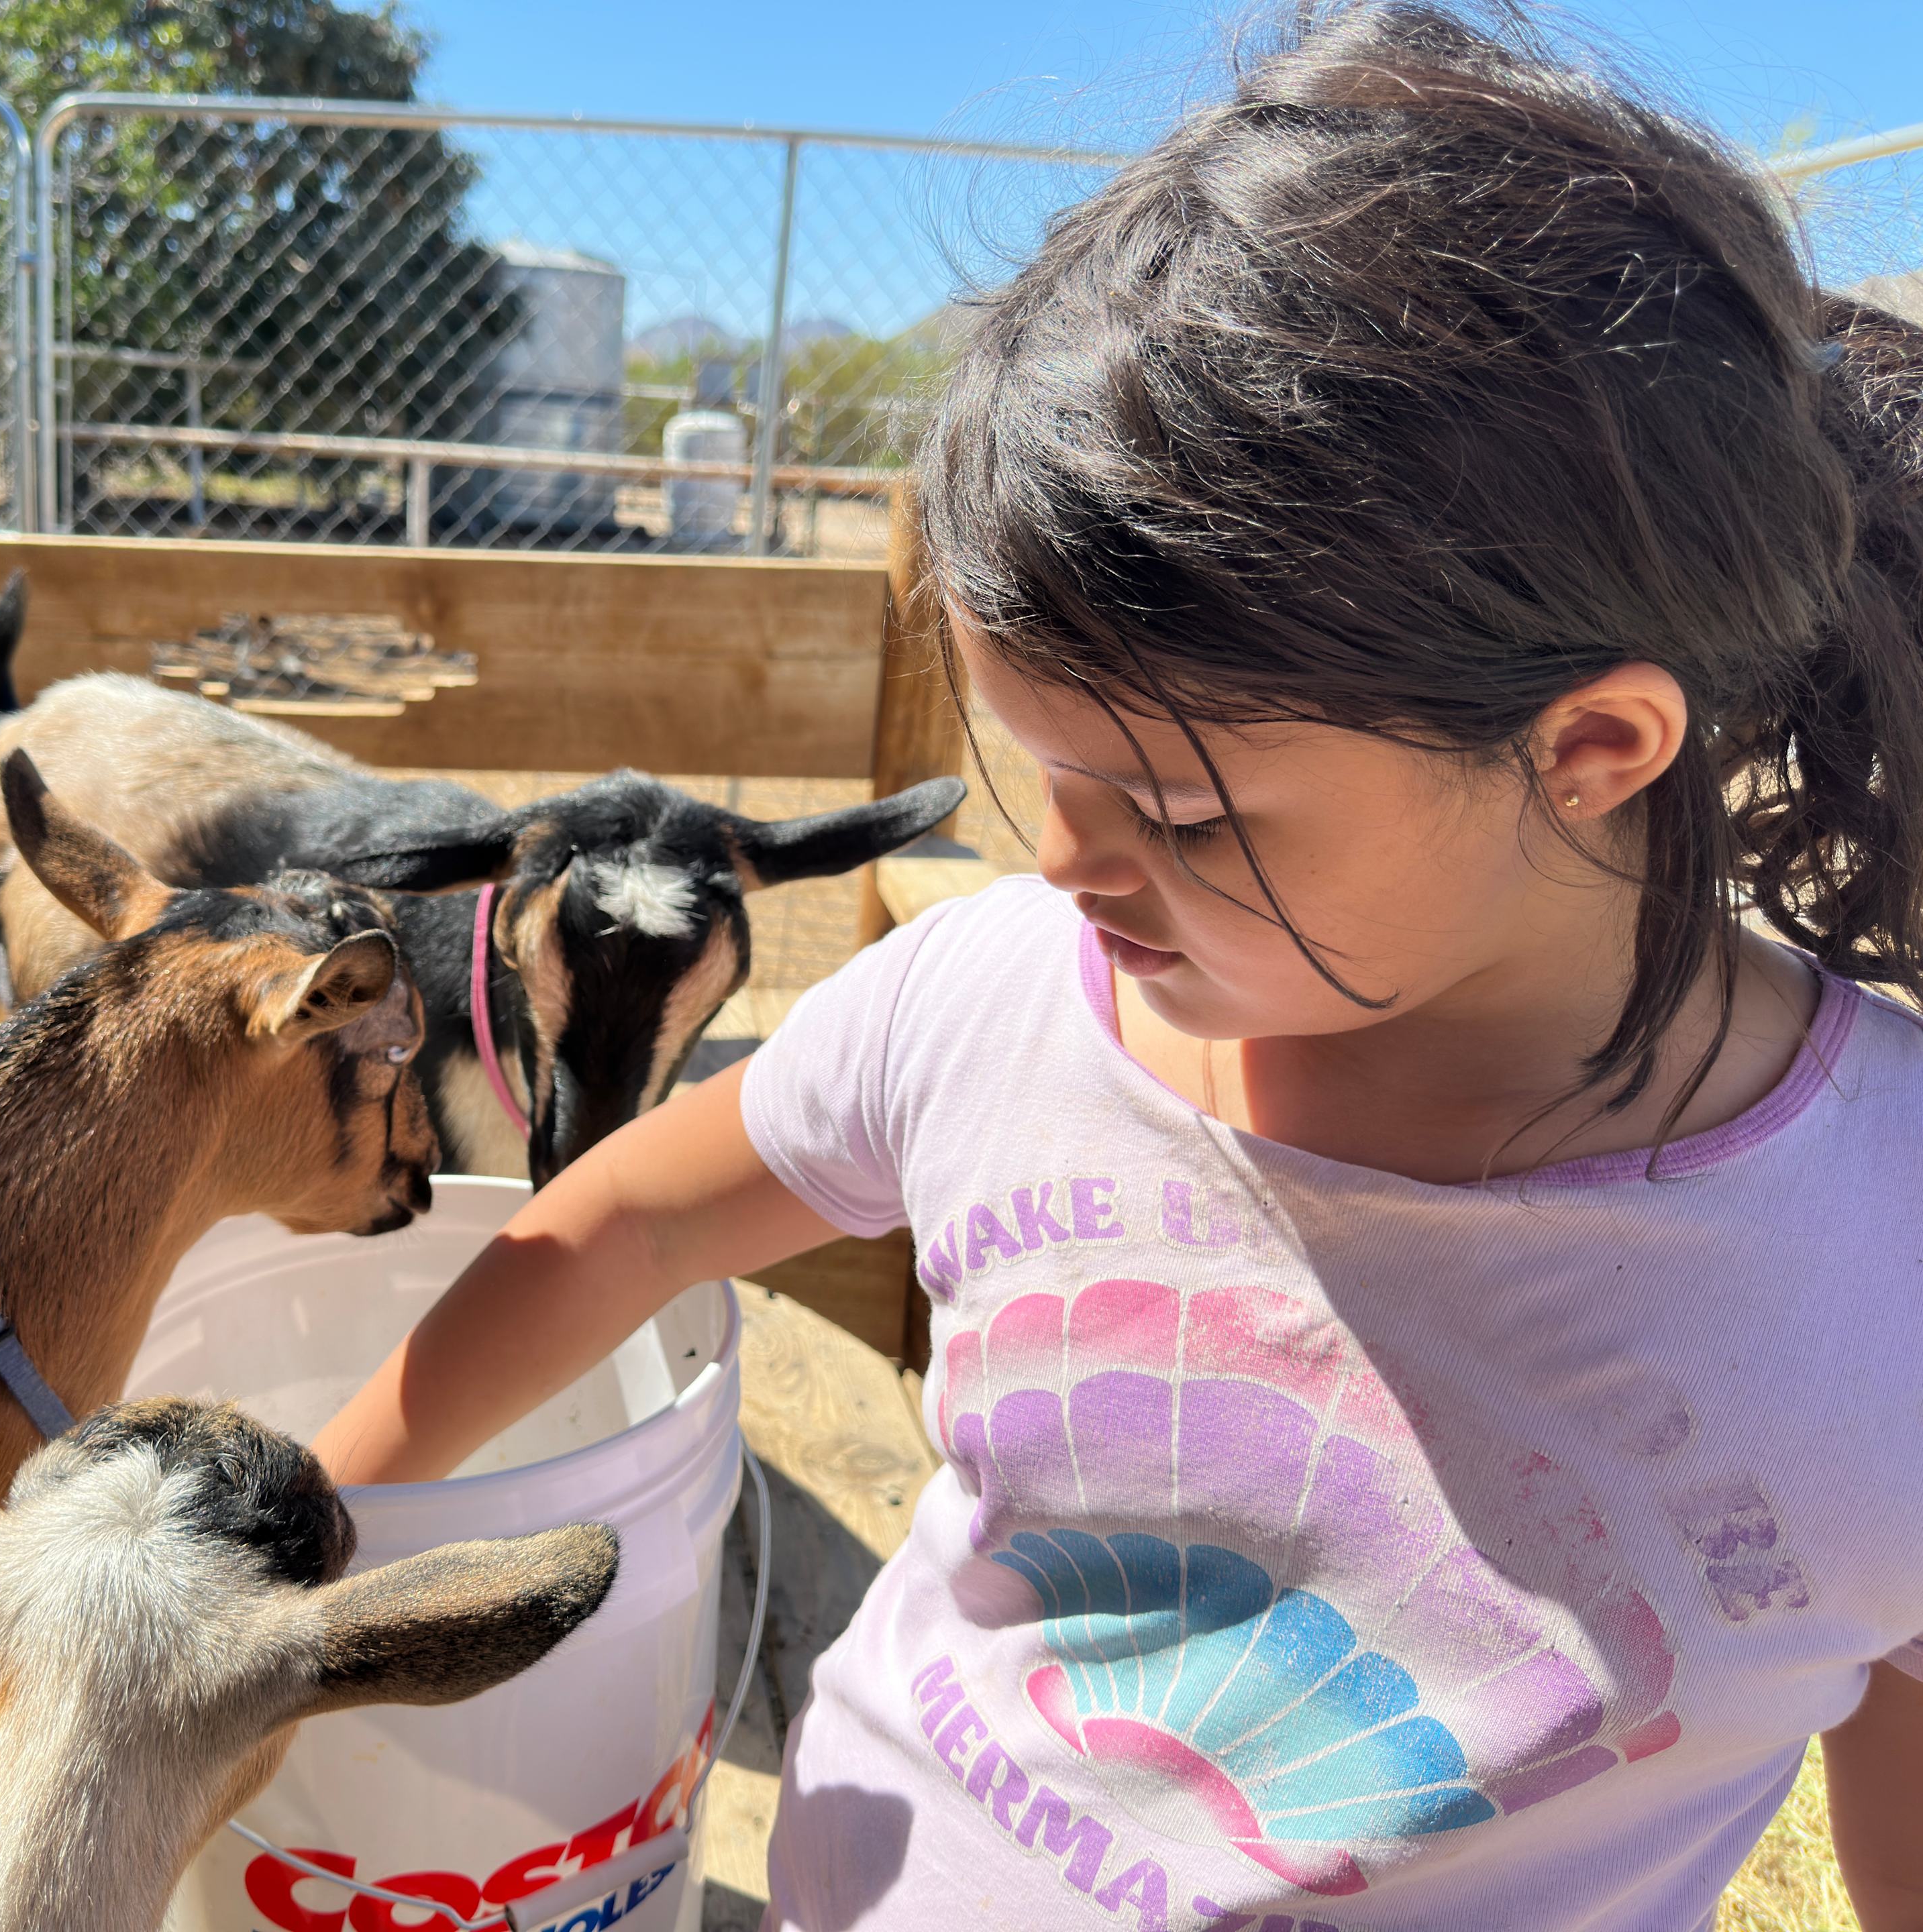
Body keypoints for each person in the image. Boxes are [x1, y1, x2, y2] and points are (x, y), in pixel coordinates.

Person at [311, 7, 1923, 1926]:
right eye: (1042, 767)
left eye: (1182, 811)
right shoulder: (994, 1001)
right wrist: (310, 1525)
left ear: (1593, 751)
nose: (1061, 864)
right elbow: (620, 1228)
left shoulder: (1880, 1272)